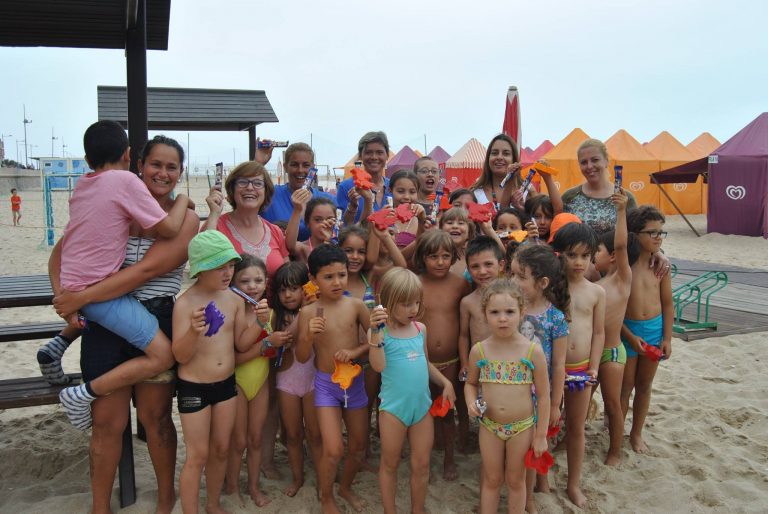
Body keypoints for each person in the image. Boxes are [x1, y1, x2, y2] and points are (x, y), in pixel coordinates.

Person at [48, 134, 199, 514]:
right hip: (105, 324)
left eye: (171, 167)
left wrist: (80, 297)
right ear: (138, 165)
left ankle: (164, 500)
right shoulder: (112, 205)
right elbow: (60, 254)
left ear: (180, 173)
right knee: (106, 422)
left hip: (155, 317)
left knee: (156, 419)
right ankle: (99, 507)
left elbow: (147, 270)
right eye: (155, 164)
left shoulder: (187, 220)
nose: (162, 173)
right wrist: (64, 299)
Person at [172, 230, 274, 514]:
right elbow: (180, 356)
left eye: (230, 265)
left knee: (220, 449)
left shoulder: (233, 299)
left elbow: (240, 342)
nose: (228, 272)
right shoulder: (185, 304)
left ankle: (213, 504)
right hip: (194, 386)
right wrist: (193, 332)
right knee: (197, 455)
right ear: (201, 269)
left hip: (226, 385)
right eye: (220, 267)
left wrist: (260, 323)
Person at [368, 268, 456, 514]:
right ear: (388, 302)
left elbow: (425, 363)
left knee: (422, 464)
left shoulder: (420, 329)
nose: (413, 309)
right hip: (393, 410)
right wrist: (375, 332)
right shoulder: (380, 333)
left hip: (422, 408)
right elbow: (378, 366)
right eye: (406, 304)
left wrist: (445, 383)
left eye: (416, 302)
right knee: (390, 464)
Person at [295, 244, 372, 513]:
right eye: (328, 277)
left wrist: (355, 351)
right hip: (327, 386)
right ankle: (326, 497)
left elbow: (376, 340)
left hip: (355, 382)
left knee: (358, 445)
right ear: (313, 279)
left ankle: (345, 487)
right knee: (334, 448)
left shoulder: (356, 306)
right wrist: (308, 336)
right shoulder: (308, 313)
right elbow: (302, 357)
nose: (337, 282)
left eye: (341, 275)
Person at [465, 279, 550, 514]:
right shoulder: (479, 351)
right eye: (495, 312)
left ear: (522, 312)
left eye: (510, 312)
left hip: (522, 428)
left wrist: (541, 435)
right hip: (489, 426)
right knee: (492, 479)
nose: (502, 318)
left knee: (516, 480)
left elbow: (544, 396)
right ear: (485, 314)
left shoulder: (532, 351)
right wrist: (471, 402)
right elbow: (470, 383)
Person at [509, 244, 569, 512]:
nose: (513, 281)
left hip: (538, 398)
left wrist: (555, 404)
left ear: (543, 283)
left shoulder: (555, 318)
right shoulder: (510, 311)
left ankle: (530, 500)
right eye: (512, 274)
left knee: (532, 449)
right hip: (510, 391)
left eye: (520, 276)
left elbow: (558, 364)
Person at [225, 254, 288, 506]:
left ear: (266, 283)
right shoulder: (234, 312)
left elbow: (273, 353)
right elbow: (235, 358)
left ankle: (253, 486)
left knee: (256, 438)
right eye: (245, 281)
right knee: (238, 441)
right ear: (233, 282)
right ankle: (232, 488)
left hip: (260, 382)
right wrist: (266, 343)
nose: (252, 286)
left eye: (258, 280)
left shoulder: (270, 313)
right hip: (238, 382)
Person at [551, 222, 606, 508]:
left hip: (581, 370)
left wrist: (594, 367)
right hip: (551, 370)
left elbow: (599, 333)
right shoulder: (550, 289)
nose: (579, 262)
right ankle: (541, 480)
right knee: (546, 425)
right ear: (559, 254)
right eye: (572, 255)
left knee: (576, 428)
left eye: (586, 255)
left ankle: (573, 484)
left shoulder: (596, 292)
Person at [414, 230, 471, 480]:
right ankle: (425, 456)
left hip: (451, 361)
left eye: (445, 256)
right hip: (420, 360)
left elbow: (467, 322)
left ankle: (449, 458)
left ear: (454, 257)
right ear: (422, 257)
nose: (440, 262)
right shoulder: (415, 284)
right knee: (424, 411)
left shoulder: (460, 284)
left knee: (447, 411)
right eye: (433, 256)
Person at [621, 205, 673, 454]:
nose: (658, 237)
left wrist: (667, 338)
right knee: (625, 387)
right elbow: (614, 310)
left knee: (644, 385)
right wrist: (629, 336)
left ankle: (636, 433)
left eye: (661, 232)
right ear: (635, 234)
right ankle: (617, 432)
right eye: (652, 232)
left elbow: (668, 303)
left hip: (654, 330)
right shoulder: (623, 266)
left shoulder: (660, 267)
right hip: (628, 331)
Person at [594, 189, 639, 465]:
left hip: (611, 352)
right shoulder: (595, 281)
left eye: (597, 251)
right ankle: (567, 438)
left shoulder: (622, 279)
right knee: (583, 400)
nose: (593, 256)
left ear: (612, 256)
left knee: (612, 404)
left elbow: (621, 246)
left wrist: (621, 211)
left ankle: (615, 451)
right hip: (590, 353)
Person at [272, 262, 323, 497]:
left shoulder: (317, 310)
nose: (288, 295)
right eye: (282, 290)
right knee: (292, 435)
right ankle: (297, 478)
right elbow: (287, 337)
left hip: (312, 379)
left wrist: (310, 307)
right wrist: (304, 311)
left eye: (294, 288)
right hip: (287, 382)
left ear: (306, 287)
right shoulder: (277, 316)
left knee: (315, 434)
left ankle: (322, 477)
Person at [204, 160, 289, 279]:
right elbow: (204, 266)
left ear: (266, 191)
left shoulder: (275, 232)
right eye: (242, 182)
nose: (249, 187)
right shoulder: (215, 226)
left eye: (258, 183)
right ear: (232, 190)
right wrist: (214, 213)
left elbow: (287, 277)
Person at [261, 142, 336, 241]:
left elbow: (340, 234)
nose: (300, 170)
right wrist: (258, 163)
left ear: (313, 167)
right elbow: (247, 191)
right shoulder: (270, 194)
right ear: (285, 167)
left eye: (306, 165)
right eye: (294, 165)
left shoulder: (328, 200)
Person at [561, 138, 637, 235]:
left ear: (606, 161)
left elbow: (636, 236)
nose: (589, 166)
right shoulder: (569, 197)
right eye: (584, 162)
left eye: (595, 160)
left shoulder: (625, 198)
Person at [336, 131, 393, 224]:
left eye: (379, 152)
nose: (374, 157)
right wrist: (352, 207)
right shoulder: (346, 187)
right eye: (368, 152)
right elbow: (341, 226)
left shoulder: (394, 186)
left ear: (387, 156)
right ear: (360, 156)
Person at [470, 134, 523, 210]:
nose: (499, 157)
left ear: (514, 159)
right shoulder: (475, 193)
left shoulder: (525, 191)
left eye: (506, 154)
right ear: (488, 158)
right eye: (494, 153)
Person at [286, 194, 337, 263]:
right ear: (307, 222)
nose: (324, 224)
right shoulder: (302, 248)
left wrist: (327, 241)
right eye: (318, 220)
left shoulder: (338, 248)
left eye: (329, 219)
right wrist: (297, 210)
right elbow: (290, 246)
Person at [388, 169, 427, 255]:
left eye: (412, 192)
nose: (406, 197)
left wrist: (422, 221)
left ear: (417, 193)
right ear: (390, 190)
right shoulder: (383, 219)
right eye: (400, 191)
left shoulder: (422, 220)